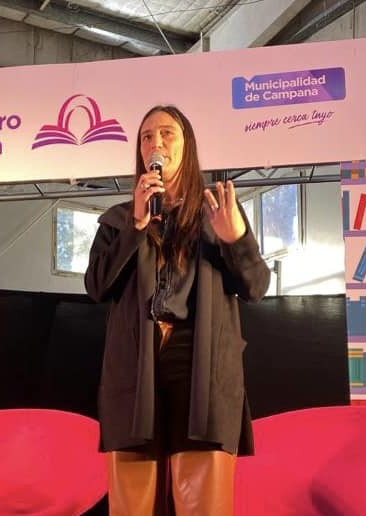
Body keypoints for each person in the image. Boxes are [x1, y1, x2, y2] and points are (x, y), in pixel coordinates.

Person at [84, 105, 270, 515]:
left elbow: (256, 287)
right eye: (147, 137)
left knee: (202, 501)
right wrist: (135, 226)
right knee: (133, 504)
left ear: (187, 146)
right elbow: (96, 286)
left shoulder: (216, 213)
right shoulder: (119, 220)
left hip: (199, 366)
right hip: (135, 368)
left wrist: (235, 239)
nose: (157, 143)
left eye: (167, 134)